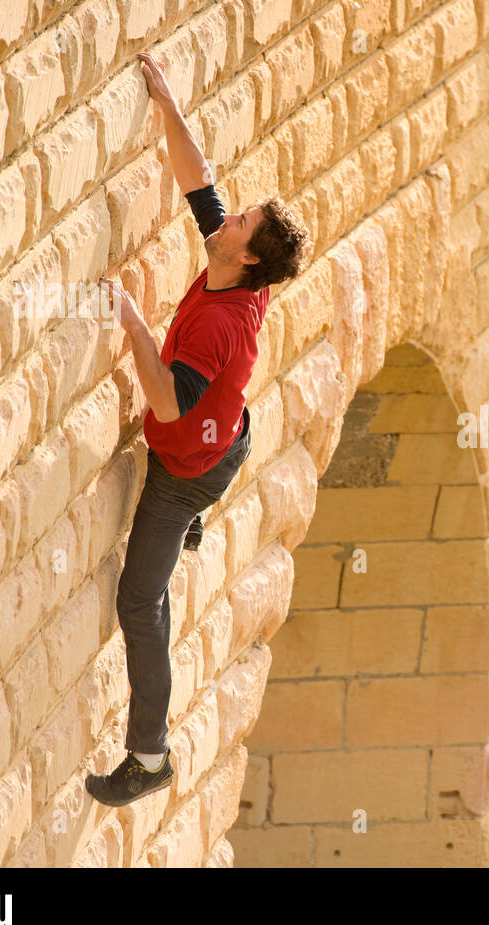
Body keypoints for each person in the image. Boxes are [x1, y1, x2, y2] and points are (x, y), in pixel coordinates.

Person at [85, 51, 309, 807]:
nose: (229, 213)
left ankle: (149, 754)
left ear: (245, 254)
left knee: (139, 602)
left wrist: (131, 322)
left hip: (189, 467)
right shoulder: (234, 264)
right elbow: (197, 177)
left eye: (239, 219)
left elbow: (170, 405)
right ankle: (192, 525)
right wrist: (168, 103)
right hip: (229, 432)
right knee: (208, 445)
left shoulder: (221, 326)